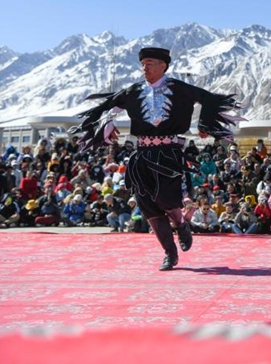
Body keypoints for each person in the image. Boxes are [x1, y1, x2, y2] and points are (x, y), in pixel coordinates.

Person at [70, 47, 243, 270]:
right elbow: (105, 107)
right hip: (141, 154)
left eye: (150, 63)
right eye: (143, 63)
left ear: (163, 65)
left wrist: (205, 124)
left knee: (167, 199)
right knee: (146, 204)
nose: (145, 67)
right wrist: (106, 123)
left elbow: (208, 99)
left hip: (169, 152)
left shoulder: (179, 88)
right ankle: (170, 253)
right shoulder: (133, 91)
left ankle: (181, 224)